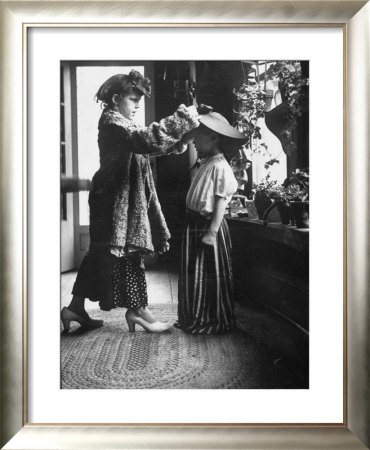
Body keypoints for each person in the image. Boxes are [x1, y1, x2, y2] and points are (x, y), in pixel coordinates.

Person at [61, 70, 200, 333]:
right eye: (133, 99)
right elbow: (145, 140)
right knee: (129, 252)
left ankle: (75, 308)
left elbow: (148, 148)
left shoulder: (124, 124)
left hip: (118, 200)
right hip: (113, 202)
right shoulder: (114, 124)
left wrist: (179, 140)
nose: (138, 105)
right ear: (115, 99)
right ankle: (138, 311)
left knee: (102, 255)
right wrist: (184, 118)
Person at [176, 110, 247, 334]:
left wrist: (212, 232)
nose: (194, 141)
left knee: (208, 273)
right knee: (193, 272)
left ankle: (209, 318)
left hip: (208, 225)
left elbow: (220, 201)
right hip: (195, 224)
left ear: (214, 138)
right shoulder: (208, 163)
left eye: (199, 136)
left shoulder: (220, 166)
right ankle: (193, 316)